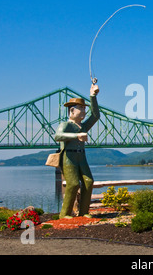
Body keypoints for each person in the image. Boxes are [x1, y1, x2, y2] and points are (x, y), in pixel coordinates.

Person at [54, 84, 100, 218]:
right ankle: (64, 214)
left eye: (85, 109)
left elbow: (96, 115)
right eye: (81, 109)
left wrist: (93, 96)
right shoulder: (66, 125)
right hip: (69, 158)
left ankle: (84, 212)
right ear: (72, 110)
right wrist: (76, 136)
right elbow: (57, 136)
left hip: (82, 157)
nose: (84, 112)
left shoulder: (84, 126)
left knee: (88, 182)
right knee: (73, 184)